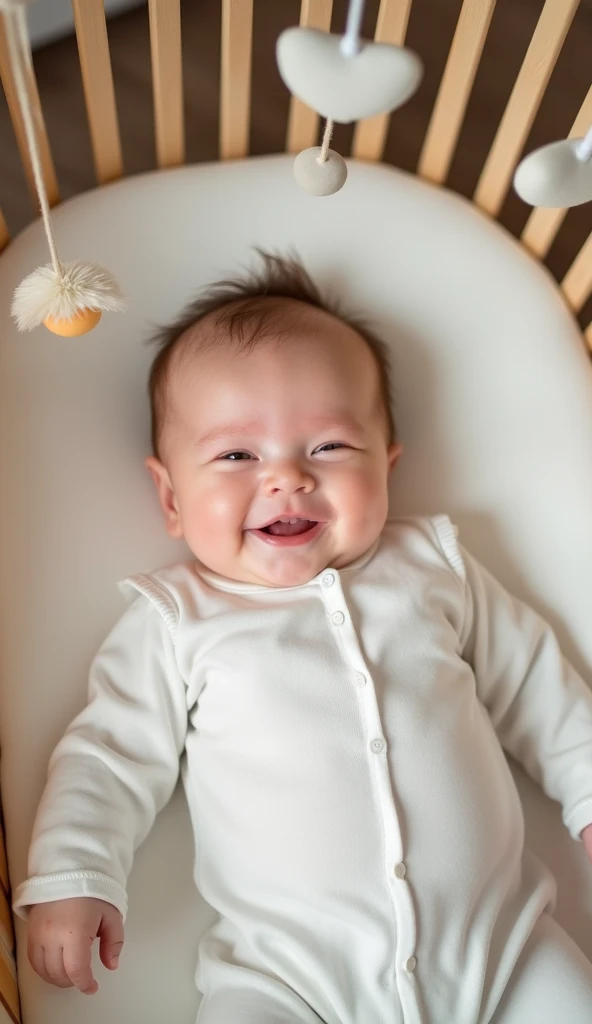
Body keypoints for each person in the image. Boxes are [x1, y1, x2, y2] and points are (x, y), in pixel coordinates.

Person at [14, 252, 592, 1024]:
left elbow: (534, 686)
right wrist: (73, 873)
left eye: (328, 447)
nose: (286, 477)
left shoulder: (434, 567)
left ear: (387, 466)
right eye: (235, 456)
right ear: (170, 496)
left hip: (503, 950)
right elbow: (109, 757)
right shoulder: (177, 618)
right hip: (286, 978)